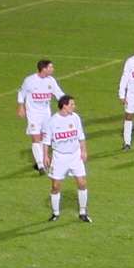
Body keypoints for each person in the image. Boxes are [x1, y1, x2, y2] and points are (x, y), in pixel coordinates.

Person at [43, 95, 91, 223]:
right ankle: (55, 213)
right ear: (64, 106)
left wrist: (84, 151)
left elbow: (81, 136)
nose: (74, 107)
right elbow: (46, 141)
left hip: (75, 156)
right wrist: (45, 156)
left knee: (82, 183)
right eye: (72, 104)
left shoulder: (75, 118)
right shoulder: (52, 121)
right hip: (59, 157)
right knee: (55, 186)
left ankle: (83, 212)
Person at [17, 60, 65, 175]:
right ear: (44, 69)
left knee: (45, 137)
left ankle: (43, 160)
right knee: (35, 137)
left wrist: (66, 104)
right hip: (33, 114)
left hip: (46, 113)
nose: (53, 69)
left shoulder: (51, 81)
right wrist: (20, 107)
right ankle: (40, 165)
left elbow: (59, 94)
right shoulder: (30, 80)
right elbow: (21, 93)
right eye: (50, 67)